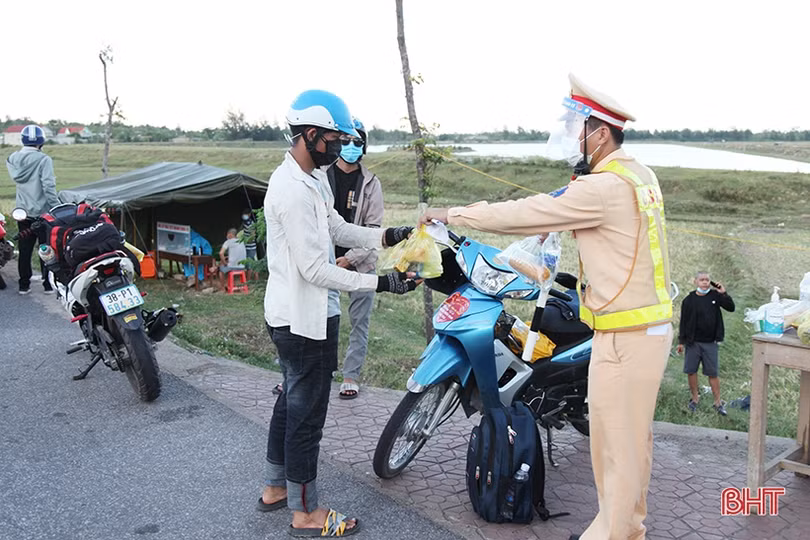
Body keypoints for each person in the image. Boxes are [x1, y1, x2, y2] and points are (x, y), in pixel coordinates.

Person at [420, 74, 673, 540]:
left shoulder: (602, 187)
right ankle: (627, 527)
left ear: (600, 133)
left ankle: (613, 533)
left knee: (616, 448)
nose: (572, 135)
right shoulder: (635, 174)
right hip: (640, 328)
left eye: (578, 126)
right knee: (631, 445)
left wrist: (453, 214)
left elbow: (528, 210)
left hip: (628, 335)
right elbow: (568, 209)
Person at [258, 89, 417, 537]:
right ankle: (305, 512)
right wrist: (381, 282)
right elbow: (314, 269)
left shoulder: (308, 179)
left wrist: (386, 237)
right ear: (311, 135)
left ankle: (275, 488)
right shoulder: (290, 189)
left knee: (291, 404)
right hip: (302, 319)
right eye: (334, 137)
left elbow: (336, 227)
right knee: (306, 417)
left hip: (298, 314)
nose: (339, 145)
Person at [327, 117, 383, 399]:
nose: (350, 146)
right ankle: (316, 372)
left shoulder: (371, 183)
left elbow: (374, 230)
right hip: (323, 261)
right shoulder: (321, 175)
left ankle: (350, 376)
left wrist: (349, 258)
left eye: (357, 142)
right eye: (346, 140)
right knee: (319, 317)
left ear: (364, 147)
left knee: (359, 322)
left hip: (360, 264)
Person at [5, 125, 58, 295]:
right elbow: (48, 186)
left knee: (25, 250)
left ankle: (24, 285)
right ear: (41, 142)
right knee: (46, 249)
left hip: (22, 213)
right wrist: (56, 207)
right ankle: (47, 285)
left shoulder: (12, 158)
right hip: (42, 213)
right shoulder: (44, 160)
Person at [676, 271, 734, 416]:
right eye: (702, 280)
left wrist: (723, 293)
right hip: (693, 343)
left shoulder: (715, 296)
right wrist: (681, 342)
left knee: (712, 373)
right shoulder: (688, 300)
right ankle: (695, 399)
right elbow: (683, 322)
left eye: (707, 280)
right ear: (695, 281)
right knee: (691, 371)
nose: (705, 282)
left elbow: (731, 307)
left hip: (710, 343)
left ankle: (717, 402)